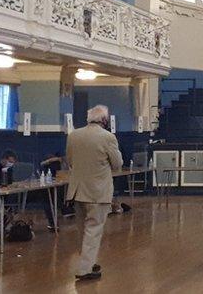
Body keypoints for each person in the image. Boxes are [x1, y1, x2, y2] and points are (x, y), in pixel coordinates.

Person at [66, 105, 123, 282]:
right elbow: (117, 163)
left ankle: (89, 261)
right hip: (97, 192)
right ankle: (84, 269)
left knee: (82, 229)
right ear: (104, 120)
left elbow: (70, 161)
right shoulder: (108, 137)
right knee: (93, 229)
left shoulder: (74, 135)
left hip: (77, 190)